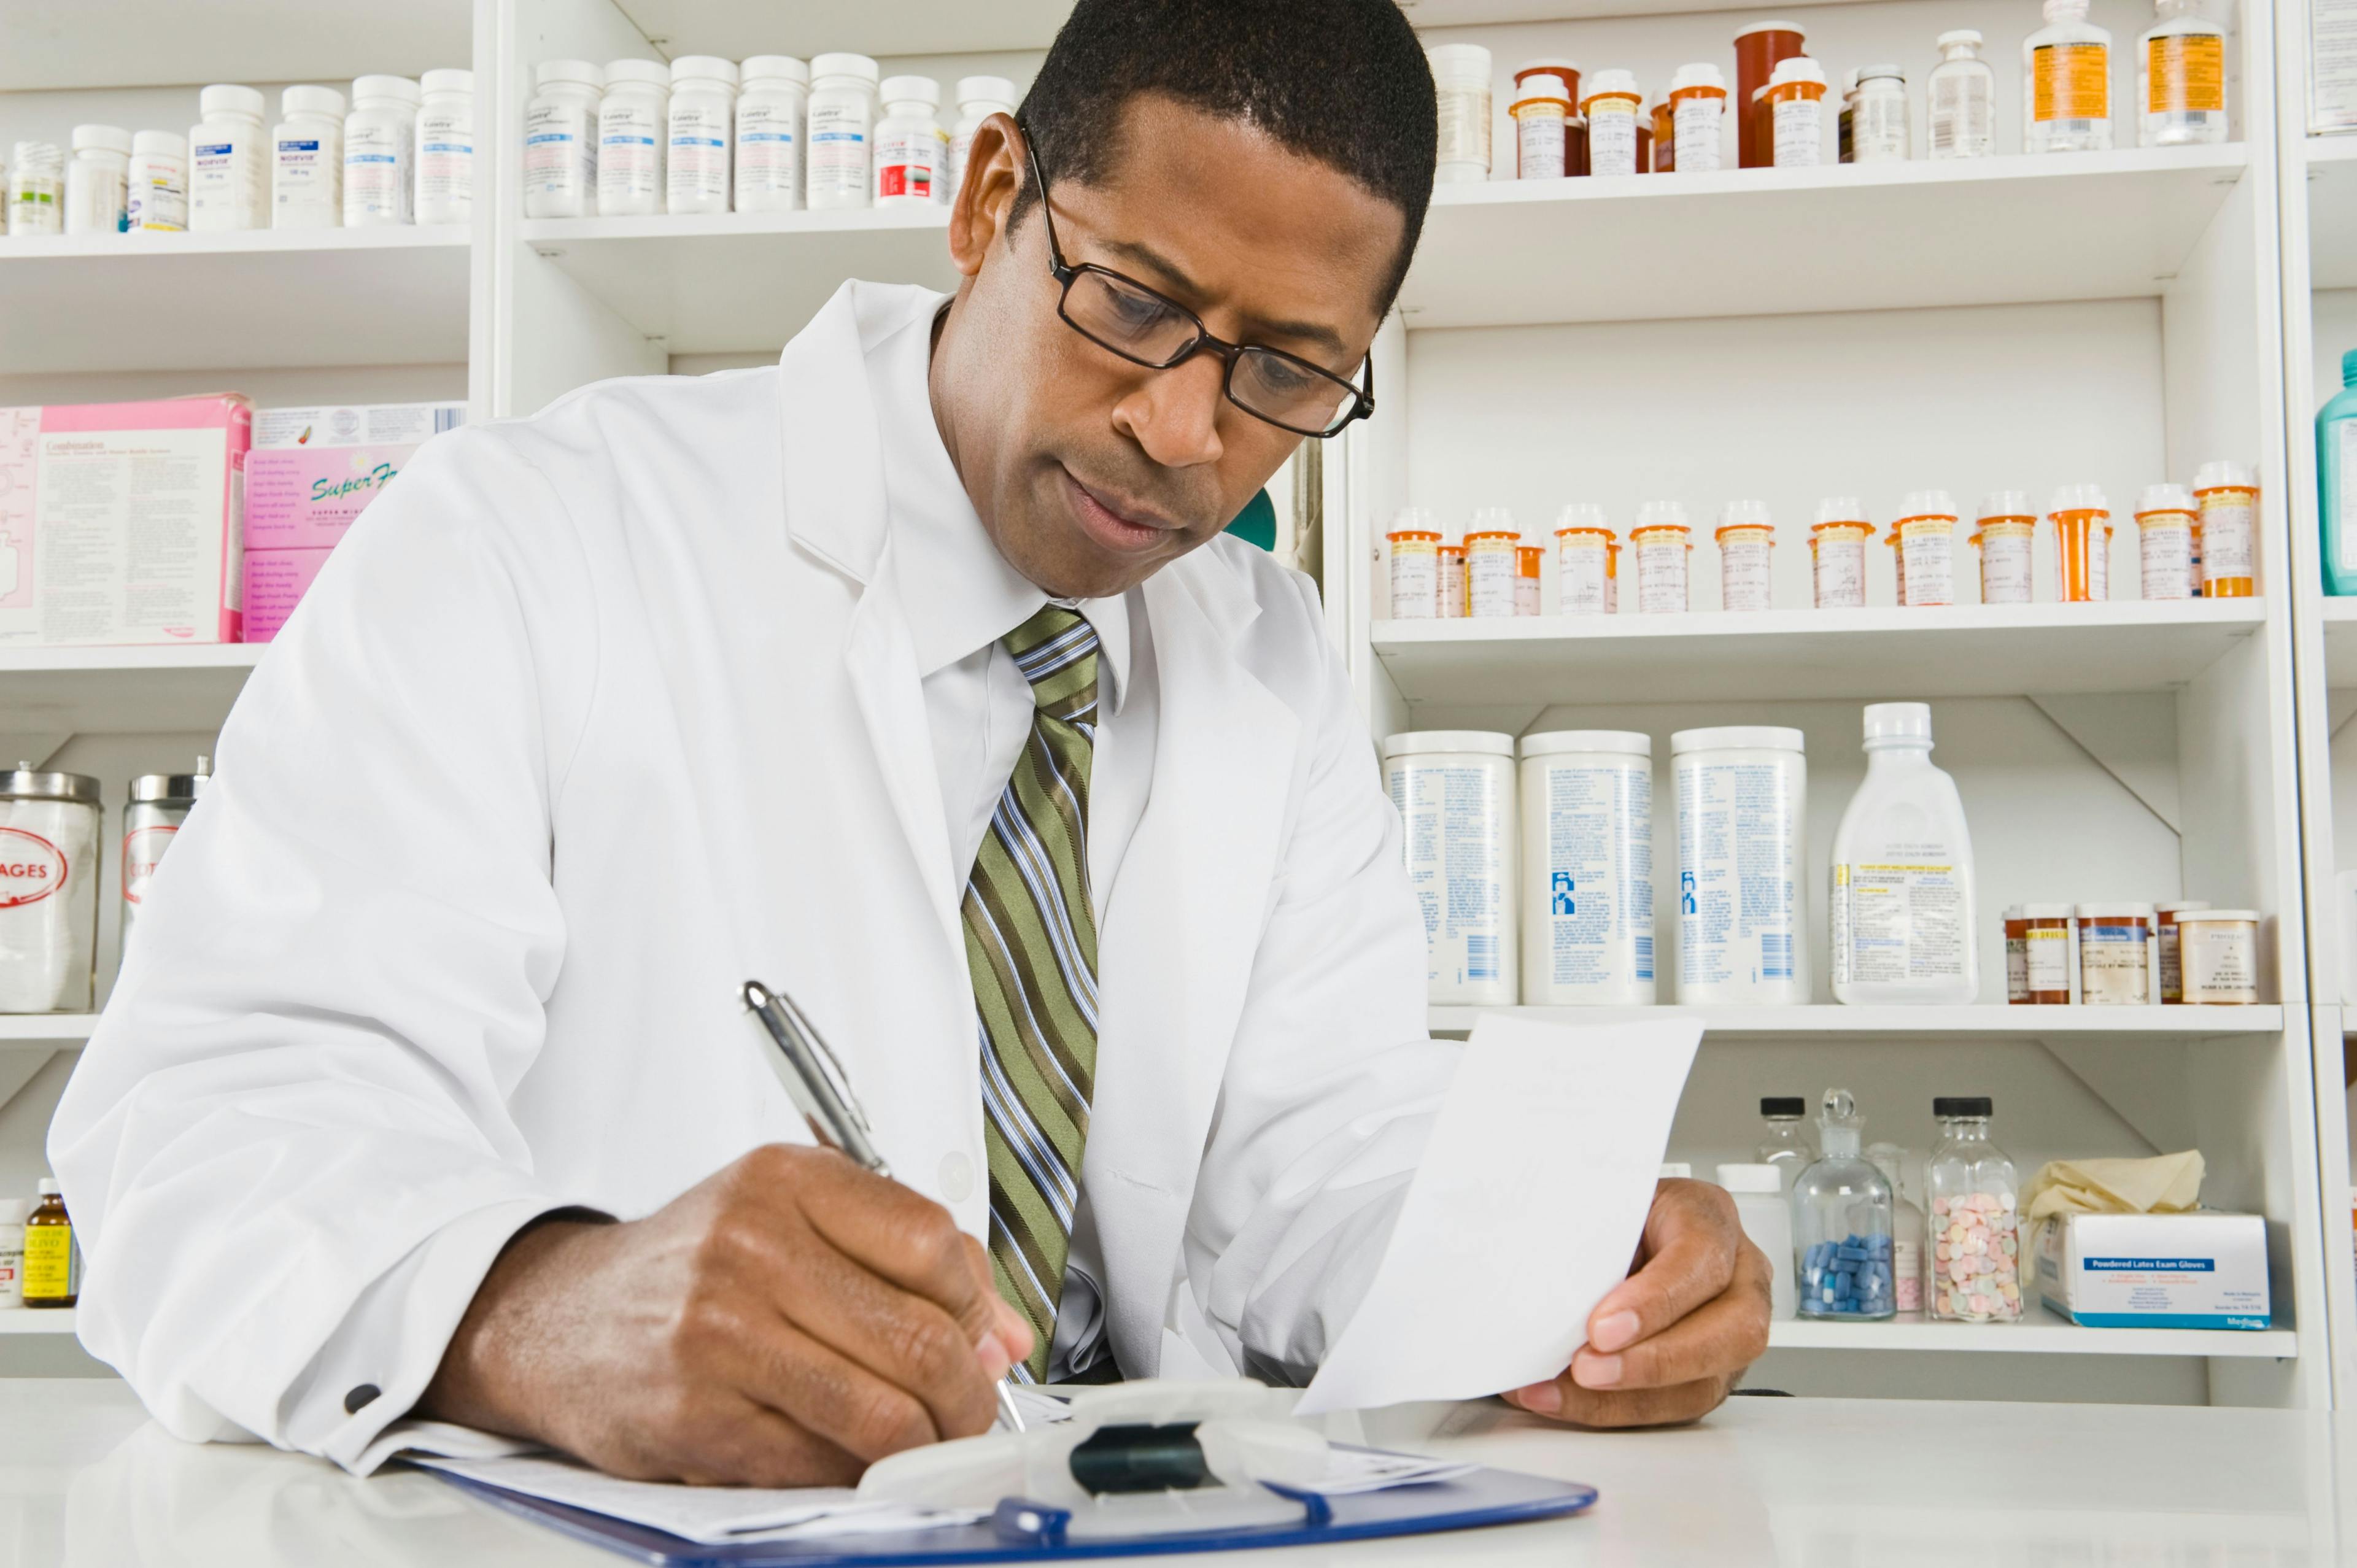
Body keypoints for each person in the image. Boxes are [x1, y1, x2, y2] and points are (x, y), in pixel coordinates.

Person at [52, 0, 1770, 1485]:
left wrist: (1565, 1266)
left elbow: (1315, 1161)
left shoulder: (1269, 656)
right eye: (1133, 301)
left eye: (1287, 376)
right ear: (991, 199)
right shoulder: (532, 534)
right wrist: (532, 1308)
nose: (1183, 429)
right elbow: (200, 1134)